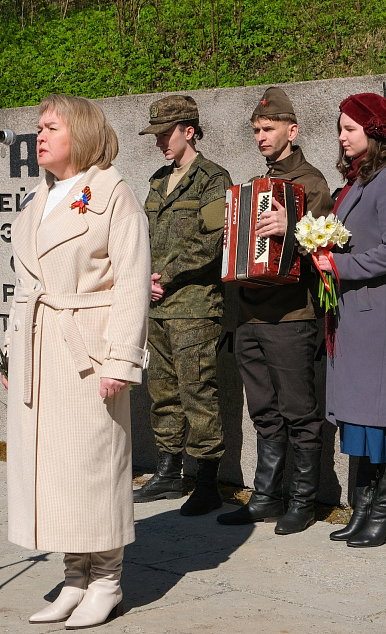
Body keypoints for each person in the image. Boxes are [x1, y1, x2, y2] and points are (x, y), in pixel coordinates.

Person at [2, 94, 150, 628]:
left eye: (50, 127)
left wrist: (120, 359)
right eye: (37, 127)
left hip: (87, 352)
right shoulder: (38, 200)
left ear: (81, 133)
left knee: (93, 469)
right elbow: (27, 288)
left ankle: (107, 580)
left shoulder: (113, 194)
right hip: (41, 354)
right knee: (57, 472)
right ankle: (74, 578)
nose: (38, 136)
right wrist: (14, 355)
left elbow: (132, 283)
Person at [216, 87, 334, 535]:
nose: (261, 137)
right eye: (256, 130)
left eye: (268, 129)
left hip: (291, 316)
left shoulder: (312, 183)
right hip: (249, 315)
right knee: (263, 409)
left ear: (292, 129)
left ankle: (302, 500)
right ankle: (265, 496)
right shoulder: (253, 186)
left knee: (299, 412)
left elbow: (327, 247)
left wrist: (295, 228)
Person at [317, 93, 386, 548]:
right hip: (356, 315)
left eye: (349, 129)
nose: (341, 137)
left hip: (383, 317)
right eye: (340, 129)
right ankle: (363, 510)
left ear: (374, 131)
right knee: (361, 414)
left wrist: (339, 266)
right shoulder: (357, 182)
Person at [135, 94, 232, 516]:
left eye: (164, 134)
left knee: (198, 394)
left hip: (194, 306)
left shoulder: (213, 179)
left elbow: (211, 243)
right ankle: (169, 471)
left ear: (188, 131)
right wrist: (143, 278)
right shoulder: (158, 180)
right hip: (156, 306)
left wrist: (165, 277)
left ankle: (207, 481)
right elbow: (142, 238)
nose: (159, 142)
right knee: (162, 393)